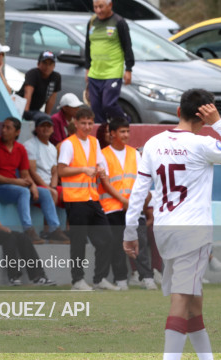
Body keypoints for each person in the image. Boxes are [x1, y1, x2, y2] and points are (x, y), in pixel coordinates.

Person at [124, 89, 221, 360]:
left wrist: (129, 230)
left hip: (165, 230)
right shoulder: (203, 144)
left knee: (193, 302)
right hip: (193, 231)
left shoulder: (153, 143)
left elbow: (139, 190)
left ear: (178, 111)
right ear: (205, 114)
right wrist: (220, 122)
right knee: (181, 299)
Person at [58, 106, 119, 291]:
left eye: (90, 123)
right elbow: (61, 169)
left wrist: (101, 171)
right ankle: (77, 280)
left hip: (92, 198)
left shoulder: (94, 142)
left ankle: (99, 278)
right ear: (75, 123)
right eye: (83, 123)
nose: (86, 126)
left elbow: (101, 165)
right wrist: (84, 169)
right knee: (78, 242)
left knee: (107, 238)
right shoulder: (69, 143)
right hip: (75, 200)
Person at [0, 117, 64, 244]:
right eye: (3, 127)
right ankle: (28, 230)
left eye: (8, 128)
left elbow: (25, 173)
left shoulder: (20, 148)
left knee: (45, 193)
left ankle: (54, 229)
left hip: (13, 188)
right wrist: (16, 182)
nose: (3, 130)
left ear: (17, 132)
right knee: (23, 192)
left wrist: (33, 186)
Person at [97, 117, 140, 291]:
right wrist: (123, 200)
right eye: (122, 131)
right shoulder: (103, 154)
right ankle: (121, 279)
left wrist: (133, 202)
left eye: (127, 131)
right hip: (111, 208)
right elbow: (106, 182)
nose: (126, 135)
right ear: (112, 133)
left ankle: (140, 276)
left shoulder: (134, 153)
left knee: (135, 242)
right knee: (116, 243)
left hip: (131, 207)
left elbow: (139, 180)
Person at [85, 0, 134, 123]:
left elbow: (127, 46)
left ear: (110, 5)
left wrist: (129, 68)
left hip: (112, 71)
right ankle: (103, 134)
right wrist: (87, 68)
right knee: (95, 108)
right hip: (95, 72)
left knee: (108, 104)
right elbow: (87, 46)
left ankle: (125, 121)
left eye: (101, 7)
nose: (98, 10)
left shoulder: (119, 22)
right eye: (95, 7)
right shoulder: (92, 21)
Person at [23, 113, 63, 213]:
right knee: (52, 193)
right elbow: (32, 171)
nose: (46, 128)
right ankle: (49, 228)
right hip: (35, 185)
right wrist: (48, 188)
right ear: (36, 128)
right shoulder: (29, 145)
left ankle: (69, 227)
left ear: (53, 129)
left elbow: (54, 172)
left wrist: (52, 187)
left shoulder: (53, 148)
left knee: (71, 194)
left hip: (49, 185)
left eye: (48, 126)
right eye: (42, 126)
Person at [17, 51, 61, 119]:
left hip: (36, 110)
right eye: (44, 63)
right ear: (38, 64)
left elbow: (51, 99)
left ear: (54, 66)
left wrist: (47, 116)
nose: (47, 66)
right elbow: (28, 94)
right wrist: (25, 115)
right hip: (20, 106)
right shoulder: (33, 74)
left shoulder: (56, 77)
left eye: (50, 64)